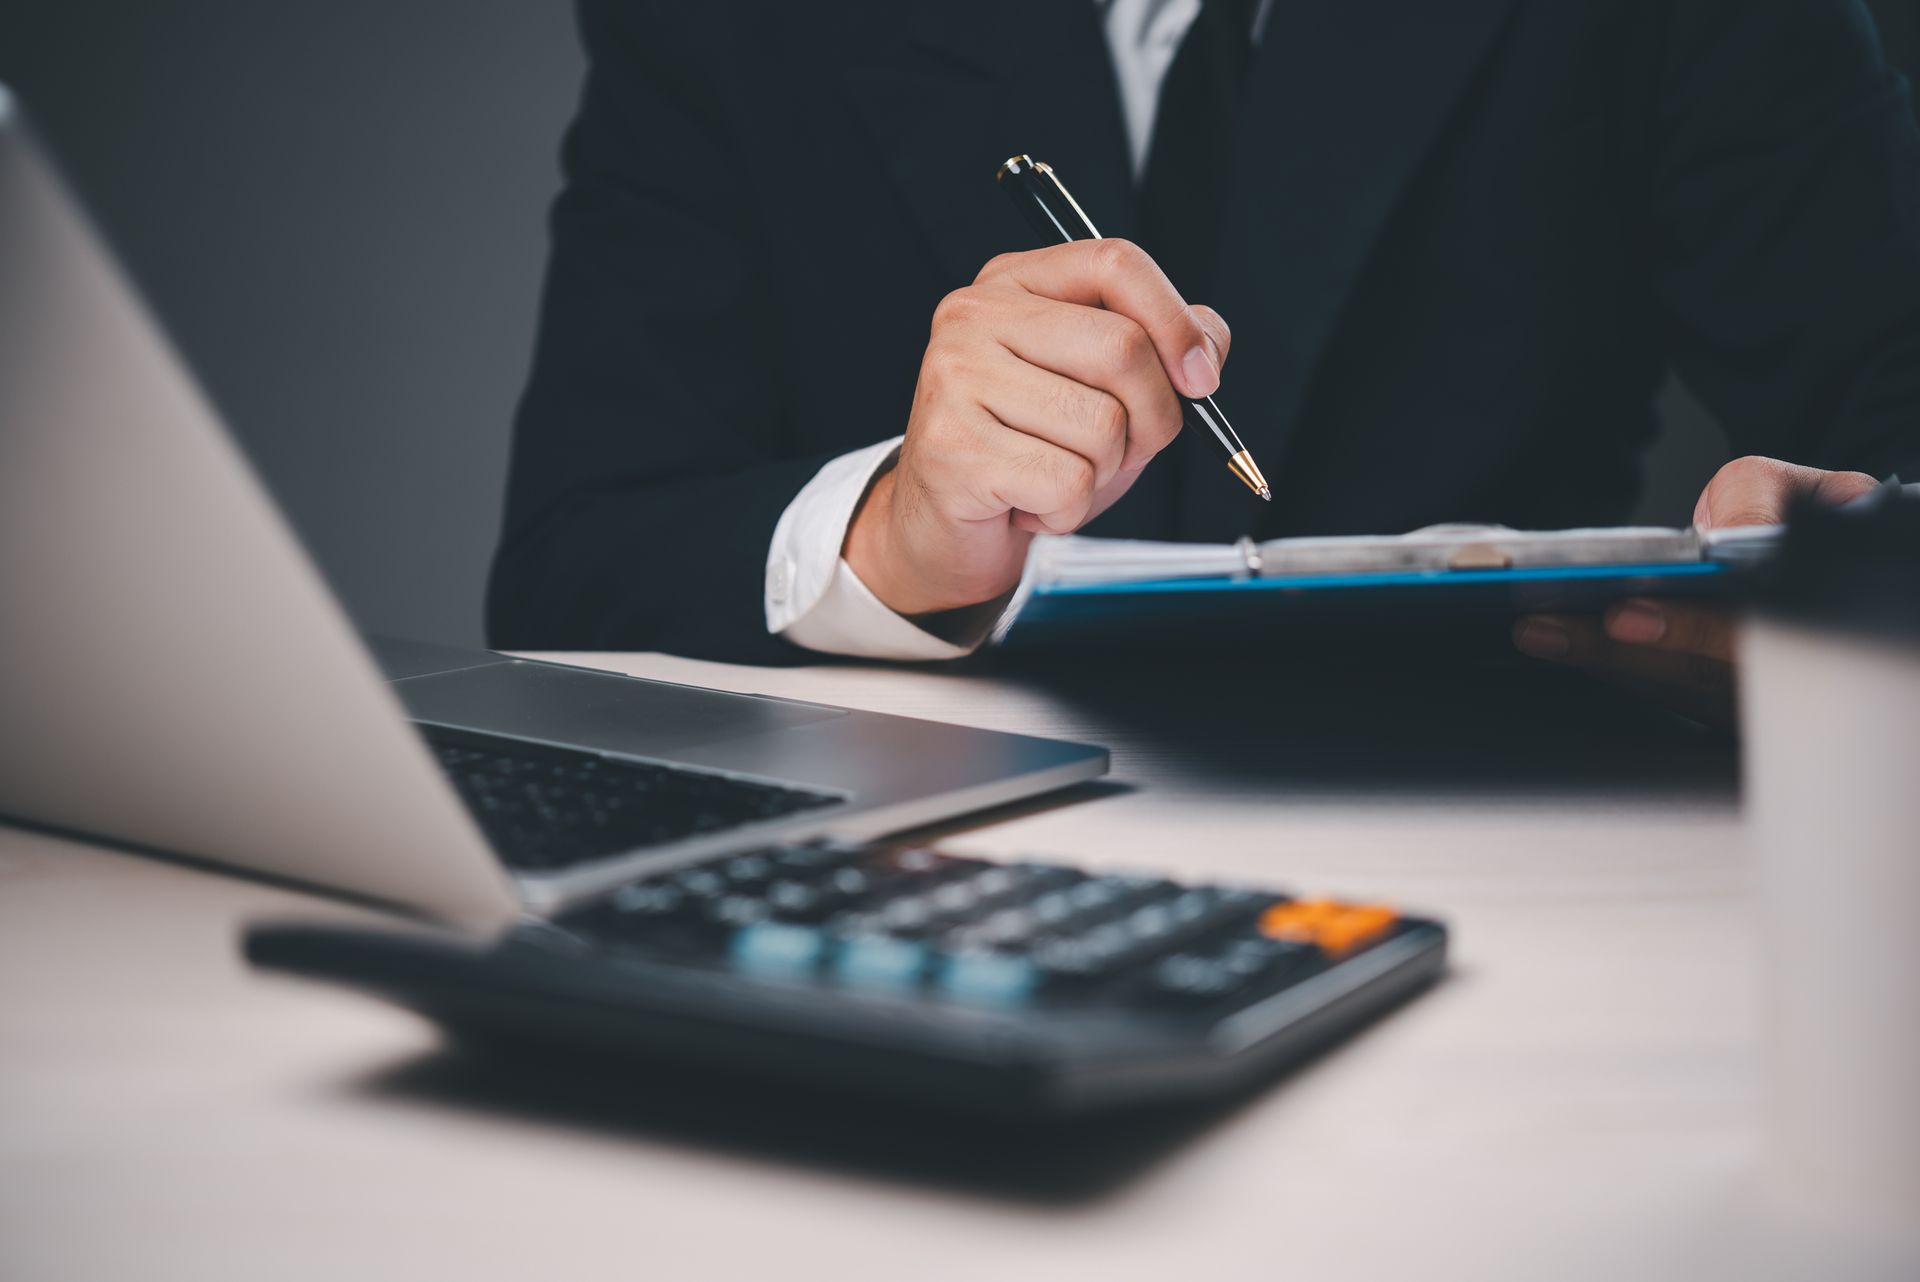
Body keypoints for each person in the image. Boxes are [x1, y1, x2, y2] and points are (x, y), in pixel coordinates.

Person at [489, 0, 1920, 723]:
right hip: (919, 878)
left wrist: (1852, 555)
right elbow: (572, 570)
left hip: (1513, 853)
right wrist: (893, 538)